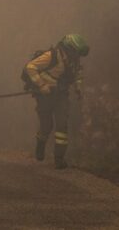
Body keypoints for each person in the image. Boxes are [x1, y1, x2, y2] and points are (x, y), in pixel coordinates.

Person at [24, 34, 89, 169]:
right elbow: (30, 67)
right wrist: (42, 85)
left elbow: (78, 75)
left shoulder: (74, 60)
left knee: (62, 126)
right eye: (75, 52)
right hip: (45, 96)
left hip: (61, 96)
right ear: (69, 48)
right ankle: (40, 145)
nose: (77, 56)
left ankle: (59, 159)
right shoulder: (52, 55)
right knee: (46, 125)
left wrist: (78, 88)